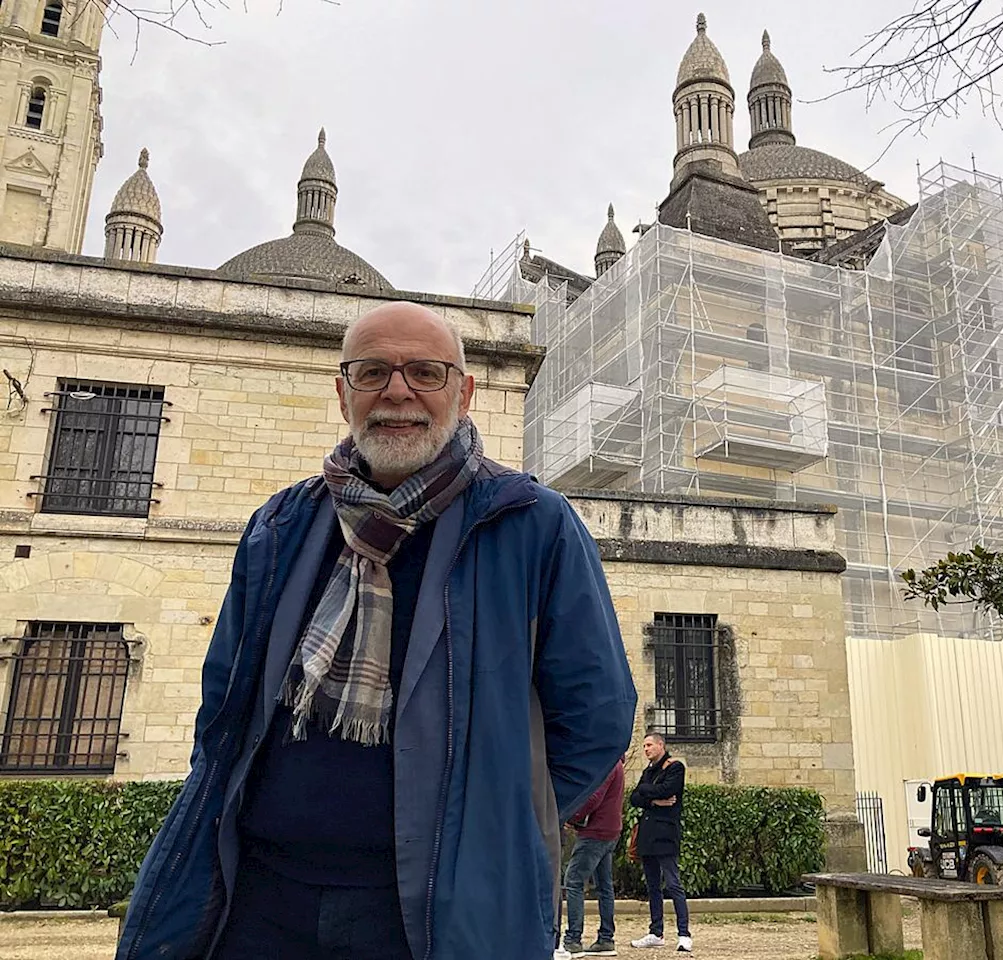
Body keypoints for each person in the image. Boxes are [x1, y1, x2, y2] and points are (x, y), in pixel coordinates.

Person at [115, 302, 637, 960]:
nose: (398, 391)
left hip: (426, 917)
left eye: (425, 371)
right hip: (258, 902)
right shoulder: (281, 525)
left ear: (464, 392)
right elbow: (225, 705)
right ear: (343, 394)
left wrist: (492, 824)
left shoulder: (532, 524)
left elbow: (598, 716)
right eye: (372, 373)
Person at [629, 732, 692, 953]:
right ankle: (656, 931)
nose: (646, 749)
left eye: (649, 745)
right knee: (652, 886)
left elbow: (669, 790)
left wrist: (648, 795)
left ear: (661, 745)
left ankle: (684, 934)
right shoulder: (648, 771)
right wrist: (654, 799)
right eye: (644, 746)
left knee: (673, 884)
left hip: (666, 834)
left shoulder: (675, 767)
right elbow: (634, 797)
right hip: (647, 835)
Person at [561, 757, 625, 956]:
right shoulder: (618, 764)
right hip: (611, 830)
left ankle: (573, 939)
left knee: (573, 881)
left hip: (594, 832)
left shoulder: (606, 763)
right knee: (604, 886)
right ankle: (606, 938)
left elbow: (593, 798)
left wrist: (571, 816)